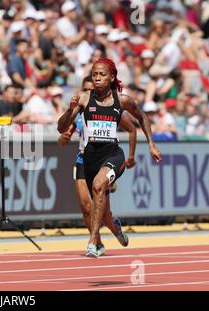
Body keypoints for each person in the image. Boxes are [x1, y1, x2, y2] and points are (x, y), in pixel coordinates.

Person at [58, 58, 162, 258]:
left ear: (112, 77)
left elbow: (141, 118)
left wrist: (151, 144)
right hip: (89, 157)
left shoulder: (122, 100)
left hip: (113, 154)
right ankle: (116, 230)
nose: (97, 78)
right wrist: (70, 110)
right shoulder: (83, 99)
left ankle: (93, 241)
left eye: (102, 74)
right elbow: (61, 128)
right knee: (102, 212)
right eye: (95, 74)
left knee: (99, 185)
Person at [59, 75, 138, 256]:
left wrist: (131, 156)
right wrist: (63, 138)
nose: (91, 92)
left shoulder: (108, 107)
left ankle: (115, 229)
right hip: (82, 160)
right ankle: (97, 243)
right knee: (86, 207)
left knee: (102, 211)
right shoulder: (77, 111)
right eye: (86, 90)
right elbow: (62, 138)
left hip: (103, 159)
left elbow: (132, 128)